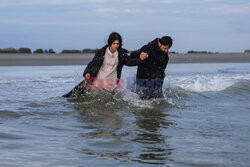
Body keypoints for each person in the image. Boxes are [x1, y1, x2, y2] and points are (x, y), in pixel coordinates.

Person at [63, 32, 148, 97]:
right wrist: (87, 73)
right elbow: (91, 64)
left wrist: (140, 60)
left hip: (111, 84)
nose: (116, 46)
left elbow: (129, 62)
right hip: (98, 82)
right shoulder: (101, 52)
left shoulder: (121, 54)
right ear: (110, 43)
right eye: (114, 43)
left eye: (117, 44)